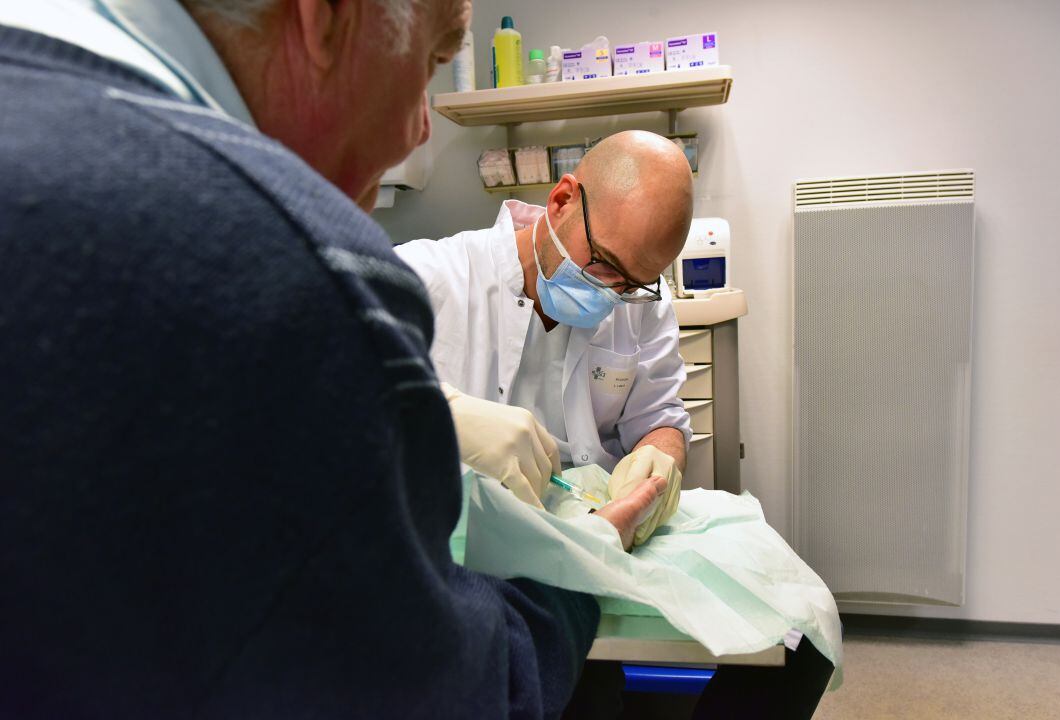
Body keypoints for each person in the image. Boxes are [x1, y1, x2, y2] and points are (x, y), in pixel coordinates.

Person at [0, 0, 665, 716]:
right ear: (327, 17)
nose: (420, 128)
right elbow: (452, 694)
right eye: (430, 64)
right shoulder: (312, 274)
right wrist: (588, 553)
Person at [396, 131, 694, 545]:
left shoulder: (641, 303)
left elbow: (660, 418)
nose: (613, 293)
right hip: (457, 539)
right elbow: (315, 382)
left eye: (634, 283)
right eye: (605, 264)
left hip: (602, 534)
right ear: (561, 201)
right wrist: (441, 416)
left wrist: (662, 457)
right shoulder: (424, 276)